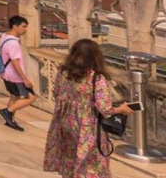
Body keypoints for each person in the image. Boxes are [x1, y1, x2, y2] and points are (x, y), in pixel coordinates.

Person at [43, 38, 133, 178]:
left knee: (71, 158)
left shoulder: (63, 73)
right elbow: (105, 109)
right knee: (92, 165)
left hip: (65, 122)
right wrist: (122, 109)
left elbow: (57, 94)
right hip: (87, 126)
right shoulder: (96, 78)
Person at [0, 14, 35, 130]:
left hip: (5, 73)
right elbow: (15, 62)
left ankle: (10, 120)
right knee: (31, 97)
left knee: (15, 96)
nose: (25, 29)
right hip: (15, 76)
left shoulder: (5, 36)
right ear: (15, 26)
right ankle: (7, 111)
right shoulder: (13, 43)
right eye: (23, 26)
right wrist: (25, 78)